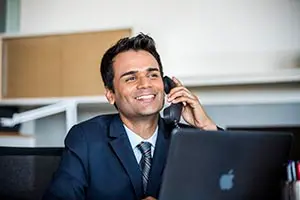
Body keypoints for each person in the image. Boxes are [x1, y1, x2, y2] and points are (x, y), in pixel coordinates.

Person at [43, 33, 219, 200]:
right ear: (111, 94)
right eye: (131, 78)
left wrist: (207, 127)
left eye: (153, 75)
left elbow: (237, 188)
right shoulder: (85, 138)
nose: (145, 84)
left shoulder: (189, 139)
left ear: (166, 85)